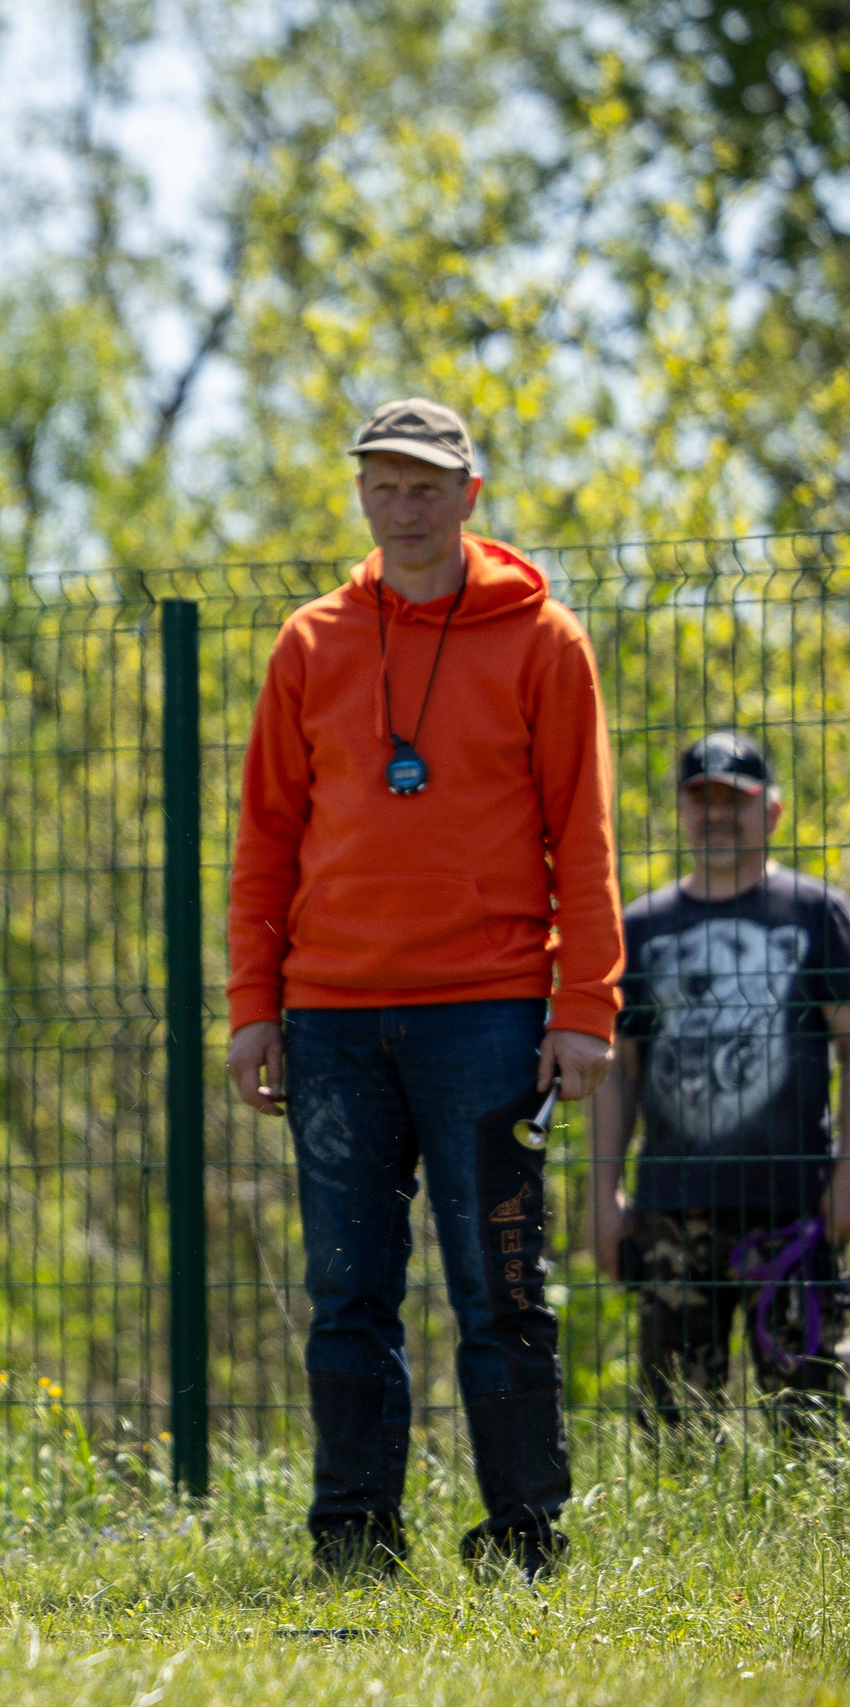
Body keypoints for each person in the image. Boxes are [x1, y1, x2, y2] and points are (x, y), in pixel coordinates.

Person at [223, 398, 624, 1580]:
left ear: (467, 496)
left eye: (425, 486)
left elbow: (583, 839)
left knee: (499, 1284)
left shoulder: (544, 640)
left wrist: (584, 1010)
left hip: (489, 1015)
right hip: (329, 1018)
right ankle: (353, 1536)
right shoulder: (310, 642)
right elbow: (264, 841)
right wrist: (252, 1009)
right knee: (347, 1290)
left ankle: (523, 1536)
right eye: (383, 485)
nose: (402, 507)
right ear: (361, 495)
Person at [593, 732, 850, 1428]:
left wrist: (848, 1173)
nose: (716, 814)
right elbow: (619, 1071)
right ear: (680, 810)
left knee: (812, 1427)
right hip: (672, 1209)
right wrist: (603, 1193)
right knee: (673, 1430)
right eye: (700, 798)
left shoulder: (815, 915)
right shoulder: (641, 928)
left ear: (772, 811)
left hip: (796, 1205)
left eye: (734, 800)